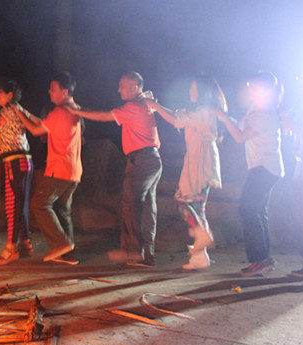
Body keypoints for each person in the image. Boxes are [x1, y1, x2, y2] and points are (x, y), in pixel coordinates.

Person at [67, 71, 161, 267]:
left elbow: (104, 116)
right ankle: (145, 255)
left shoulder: (134, 106)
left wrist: (77, 111)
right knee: (145, 208)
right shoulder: (144, 104)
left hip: (141, 160)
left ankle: (133, 252)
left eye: (122, 86)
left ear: (135, 87)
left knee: (131, 204)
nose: (119, 90)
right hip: (151, 159)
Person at [145, 73, 226, 270]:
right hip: (200, 161)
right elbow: (180, 118)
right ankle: (200, 257)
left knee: (184, 202)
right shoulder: (203, 111)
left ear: (203, 92)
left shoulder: (205, 111)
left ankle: (201, 235)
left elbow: (177, 120)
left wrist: (154, 106)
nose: (191, 91)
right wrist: (157, 106)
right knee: (198, 208)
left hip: (200, 163)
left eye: (194, 88)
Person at [217, 71, 284, 276]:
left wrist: (222, 117)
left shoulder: (265, 113)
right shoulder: (257, 109)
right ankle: (262, 259)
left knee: (248, 210)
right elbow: (240, 128)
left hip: (265, 168)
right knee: (256, 211)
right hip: (263, 167)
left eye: (253, 86)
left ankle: (259, 259)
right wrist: (228, 119)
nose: (249, 89)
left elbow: (240, 136)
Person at [15, 72, 82, 265]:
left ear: (64, 91)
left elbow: (36, 131)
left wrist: (19, 114)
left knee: (39, 203)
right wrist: (25, 113)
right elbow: (44, 124)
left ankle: (61, 245)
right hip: (73, 171)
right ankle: (69, 253)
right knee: (62, 210)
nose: (49, 92)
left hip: (59, 169)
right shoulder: (73, 109)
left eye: (53, 89)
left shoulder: (60, 112)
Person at [0, 80, 33, 265]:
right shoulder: (19, 108)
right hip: (23, 160)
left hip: (15, 159)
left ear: (9, 95)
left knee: (14, 204)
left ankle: (10, 247)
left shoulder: (7, 110)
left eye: (0, 92)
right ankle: (25, 243)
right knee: (21, 201)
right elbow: (35, 120)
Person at [281, 65, 303, 278]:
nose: (300, 80)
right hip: (301, 160)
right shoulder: (301, 102)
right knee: (301, 215)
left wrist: (294, 126)